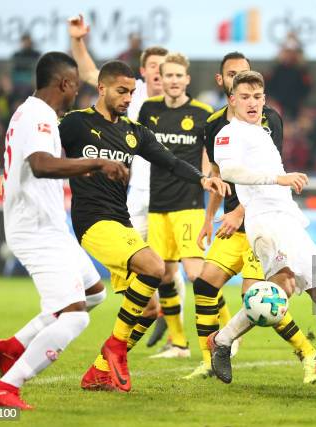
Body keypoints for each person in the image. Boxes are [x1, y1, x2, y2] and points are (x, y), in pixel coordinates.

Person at [58, 60, 228, 393]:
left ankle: (99, 370)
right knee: (155, 266)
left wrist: (203, 179)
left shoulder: (134, 132)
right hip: (92, 221)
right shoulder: (76, 124)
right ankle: (116, 348)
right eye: (121, 91)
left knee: (149, 310)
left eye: (131, 92)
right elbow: (37, 148)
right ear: (102, 88)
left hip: (120, 222)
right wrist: (8, 175)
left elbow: (172, 161)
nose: (127, 98)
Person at [209, 70, 316, 393]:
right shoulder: (228, 134)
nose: (252, 103)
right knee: (280, 290)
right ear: (232, 100)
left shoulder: (262, 132)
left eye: (257, 97)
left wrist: (283, 184)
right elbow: (229, 171)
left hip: (289, 221)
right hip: (265, 223)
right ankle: (222, 339)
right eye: (244, 97)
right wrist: (279, 178)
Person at [0, 52, 128, 409]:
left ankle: (14, 346)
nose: (77, 93)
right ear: (64, 83)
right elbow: (41, 165)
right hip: (36, 229)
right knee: (75, 315)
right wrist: (96, 163)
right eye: (76, 86)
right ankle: (7, 387)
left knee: (95, 292)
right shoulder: (39, 116)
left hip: (48, 225)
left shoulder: (31, 112)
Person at [185, 52, 316, 383]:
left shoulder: (268, 119)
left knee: (268, 294)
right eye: (235, 76)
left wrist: (239, 210)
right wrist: (211, 216)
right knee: (207, 284)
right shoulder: (214, 126)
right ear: (224, 83)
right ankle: (211, 358)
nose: (246, 87)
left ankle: (310, 354)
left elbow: (267, 174)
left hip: (258, 219)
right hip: (235, 222)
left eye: (250, 80)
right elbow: (222, 175)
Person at [67, 14, 183, 350]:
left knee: (174, 268)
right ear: (145, 72)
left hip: (173, 195)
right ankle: (152, 319)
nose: (161, 75)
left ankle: (178, 338)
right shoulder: (134, 96)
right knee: (151, 269)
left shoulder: (187, 106)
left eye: (168, 69)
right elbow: (91, 74)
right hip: (133, 197)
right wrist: (77, 41)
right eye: (156, 69)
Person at [138, 52, 213, 358]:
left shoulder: (202, 112)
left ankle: (224, 336)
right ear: (161, 78)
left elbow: (208, 158)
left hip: (189, 203)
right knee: (165, 275)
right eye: (167, 75)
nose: (172, 81)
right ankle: (179, 343)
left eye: (178, 76)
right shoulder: (148, 110)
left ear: (187, 79)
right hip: (158, 204)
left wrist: (208, 180)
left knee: (196, 273)